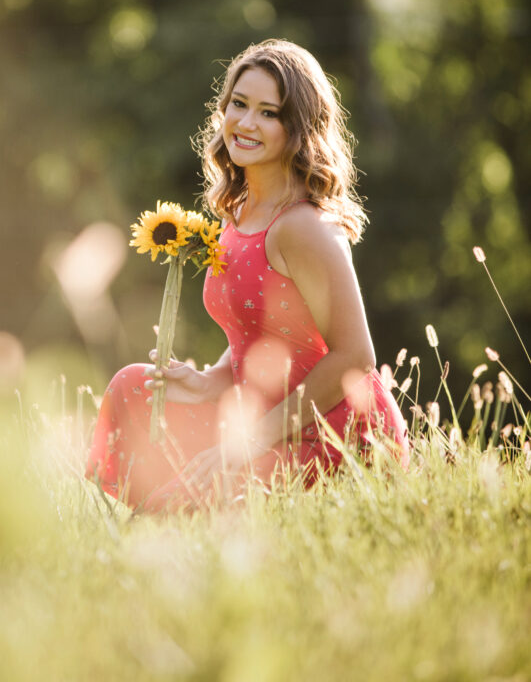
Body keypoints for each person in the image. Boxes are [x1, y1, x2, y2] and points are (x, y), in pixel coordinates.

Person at [86, 39, 409, 512]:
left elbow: (355, 357)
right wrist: (209, 380)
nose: (246, 123)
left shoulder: (302, 227)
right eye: (239, 104)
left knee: (185, 506)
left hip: (330, 430)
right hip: (263, 413)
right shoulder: (240, 212)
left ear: (297, 129)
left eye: (268, 113)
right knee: (133, 387)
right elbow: (265, 330)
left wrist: (250, 441)